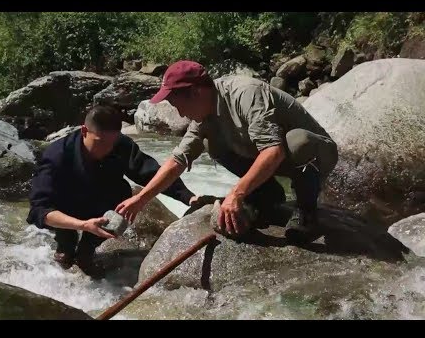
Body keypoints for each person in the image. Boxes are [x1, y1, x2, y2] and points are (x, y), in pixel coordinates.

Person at [115, 60, 338, 244]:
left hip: (316, 154)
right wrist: (141, 199)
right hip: (276, 156)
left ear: (196, 92)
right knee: (212, 145)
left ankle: (306, 211)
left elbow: (273, 151)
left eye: (178, 105)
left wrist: (236, 193)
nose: (181, 114)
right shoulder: (204, 114)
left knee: (297, 141)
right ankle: (267, 195)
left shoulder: (246, 94)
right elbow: (177, 161)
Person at [26, 105, 196, 277]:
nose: (107, 149)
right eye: (100, 142)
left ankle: (87, 251)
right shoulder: (57, 155)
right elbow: (40, 209)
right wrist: (82, 225)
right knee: (66, 249)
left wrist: (187, 197)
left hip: (103, 202)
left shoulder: (120, 144)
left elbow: (151, 173)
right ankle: (65, 247)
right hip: (68, 206)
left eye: (111, 143)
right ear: (84, 131)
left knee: (123, 196)